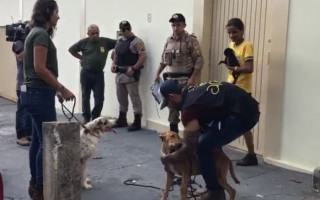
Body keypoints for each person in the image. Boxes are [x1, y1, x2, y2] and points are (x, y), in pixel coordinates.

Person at [159, 79, 260, 200]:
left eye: (168, 103)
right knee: (208, 136)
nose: (169, 106)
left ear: (172, 96)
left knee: (202, 146)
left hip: (244, 114)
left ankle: (215, 192)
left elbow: (190, 147)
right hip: (245, 106)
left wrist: (169, 158)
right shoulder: (190, 89)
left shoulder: (188, 110)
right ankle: (215, 178)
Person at [20, 1, 75, 199]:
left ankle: (35, 184)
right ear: (48, 11)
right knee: (46, 142)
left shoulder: (34, 32)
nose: (58, 16)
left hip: (33, 93)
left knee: (37, 140)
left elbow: (39, 69)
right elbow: (40, 68)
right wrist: (61, 88)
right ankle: (41, 188)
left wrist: (56, 89)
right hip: (39, 94)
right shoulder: (41, 34)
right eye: (57, 12)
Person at [154, 13, 203, 133]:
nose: (176, 28)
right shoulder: (169, 40)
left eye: (178, 25)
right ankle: (174, 142)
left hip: (185, 82)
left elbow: (199, 60)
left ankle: (192, 142)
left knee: (188, 111)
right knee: (172, 113)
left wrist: (193, 78)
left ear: (184, 25)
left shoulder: (191, 40)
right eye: (173, 25)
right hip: (171, 83)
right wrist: (157, 73)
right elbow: (163, 60)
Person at [225, 18, 258, 166]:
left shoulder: (247, 46)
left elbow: (249, 68)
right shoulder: (231, 45)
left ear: (242, 31)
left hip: (243, 90)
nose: (232, 35)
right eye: (229, 32)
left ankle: (251, 155)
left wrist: (236, 69)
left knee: (244, 124)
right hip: (231, 86)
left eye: (235, 32)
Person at [69, 24, 116, 124]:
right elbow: (71, 50)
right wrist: (81, 58)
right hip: (86, 73)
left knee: (99, 98)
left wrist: (114, 53)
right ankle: (86, 117)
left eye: (97, 33)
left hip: (99, 74)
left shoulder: (105, 42)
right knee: (86, 96)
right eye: (92, 34)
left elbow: (119, 44)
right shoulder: (84, 42)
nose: (95, 35)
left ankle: (95, 117)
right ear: (88, 34)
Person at [111, 20, 146, 131]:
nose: (125, 31)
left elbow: (143, 56)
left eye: (127, 28)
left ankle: (137, 121)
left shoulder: (137, 41)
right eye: (123, 29)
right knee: (121, 98)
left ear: (130, 28)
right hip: (120, 74)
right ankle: (122, 119)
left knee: (134, 98)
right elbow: (115, 54)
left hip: (131, 74)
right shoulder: (119, 41)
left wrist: (134, 68)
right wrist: (113, 65)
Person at [12, 26, 32, 146]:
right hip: (22, 83)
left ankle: (28, 132)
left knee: (30, 109)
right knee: (22, 109)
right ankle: (21, 135)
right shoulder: (19, 43)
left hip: (30, 83)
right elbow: (21, 57)